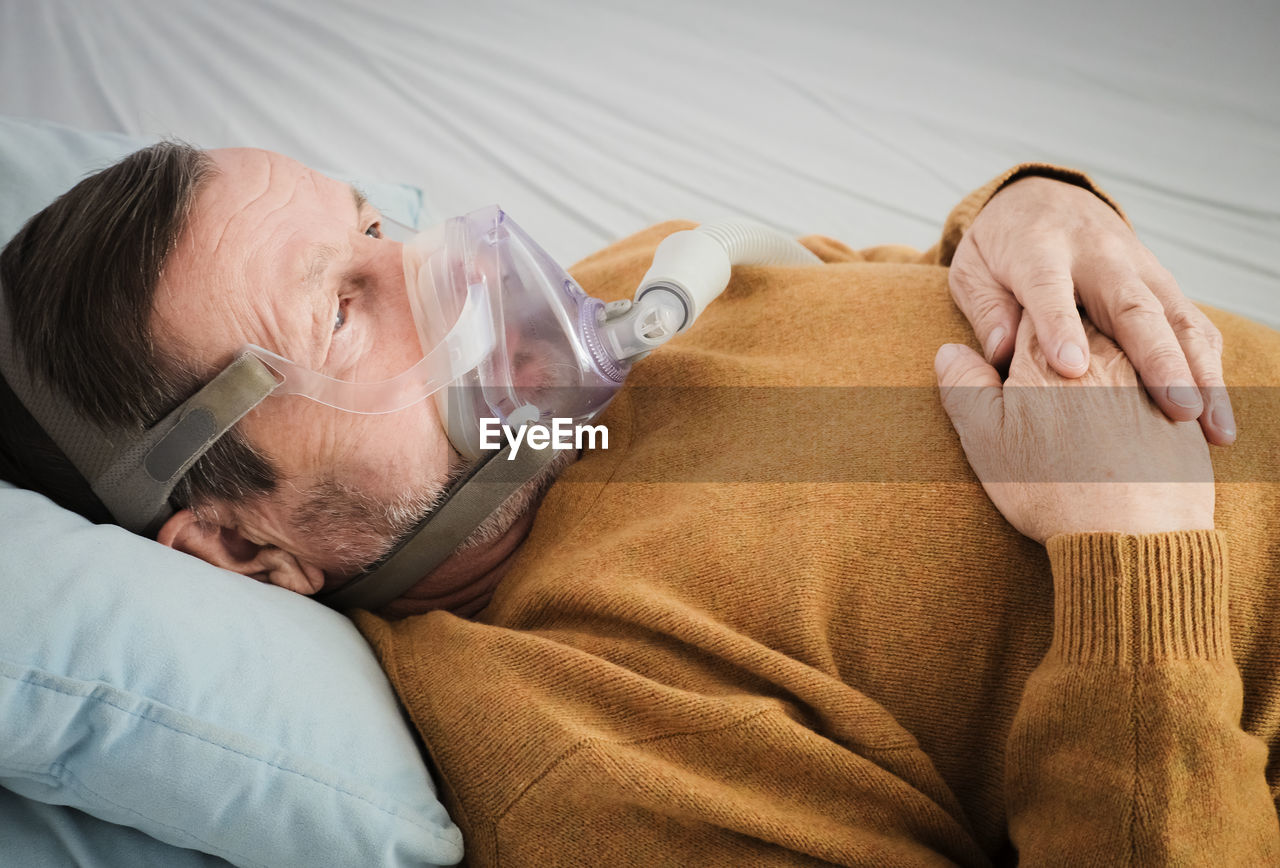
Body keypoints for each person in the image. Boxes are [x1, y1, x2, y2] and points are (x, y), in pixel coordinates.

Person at [1, 144, 1277, 864]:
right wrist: (1132, 550)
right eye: (340, 305)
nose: (445, 270)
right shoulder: (577, 744)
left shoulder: (612, 298)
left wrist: (1028, 210)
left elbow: (893, 285)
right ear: (237, 544)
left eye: (374, 223)